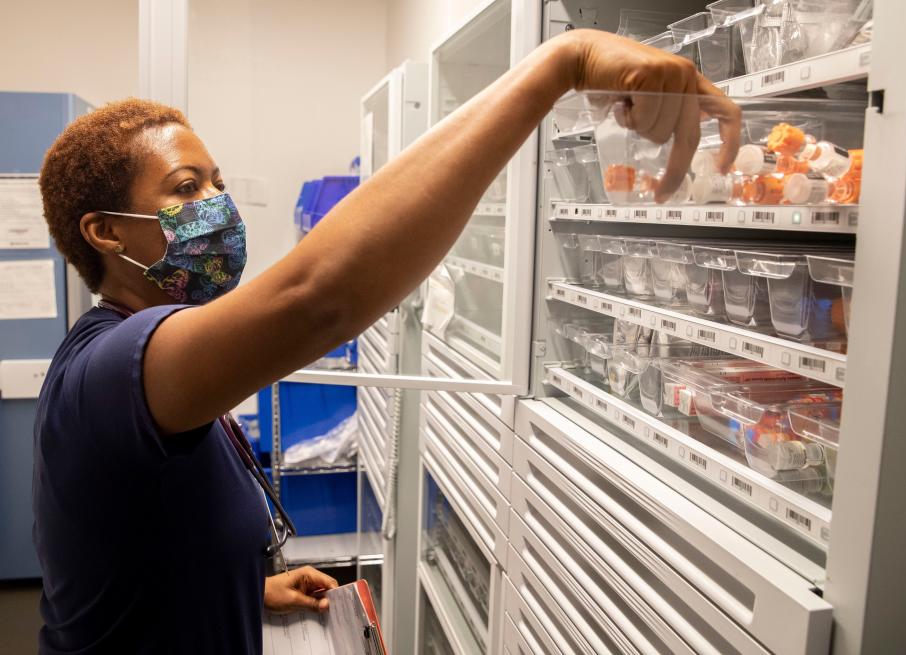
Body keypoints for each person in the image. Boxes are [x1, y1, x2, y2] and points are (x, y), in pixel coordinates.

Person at [32, 28, 740, 654]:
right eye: (187, 188)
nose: (218, 206)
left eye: (217, 183)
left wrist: (248, 587)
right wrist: (561, 63)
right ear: (106, 231)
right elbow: (318, 300)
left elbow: (143, 546)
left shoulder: (143, 360)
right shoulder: (109, 370)